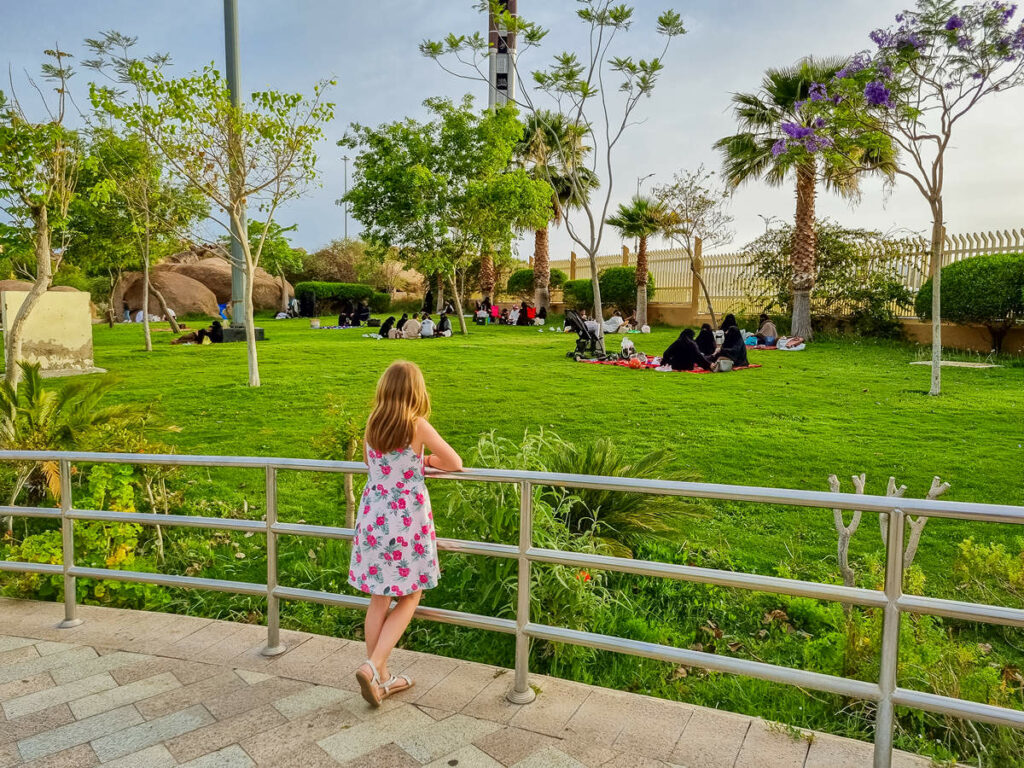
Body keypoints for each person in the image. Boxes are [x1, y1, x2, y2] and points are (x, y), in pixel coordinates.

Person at [349, 360, 463, 706]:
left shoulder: (372, 423)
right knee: (411, 595)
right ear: (416, 391)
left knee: (378, 598)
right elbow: (454, 463)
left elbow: (373, 466)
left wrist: (414, 464)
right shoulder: (417, 425)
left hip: (372, 518)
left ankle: (382, 678)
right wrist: (424, 462)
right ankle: (372, 667)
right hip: (404, 523)